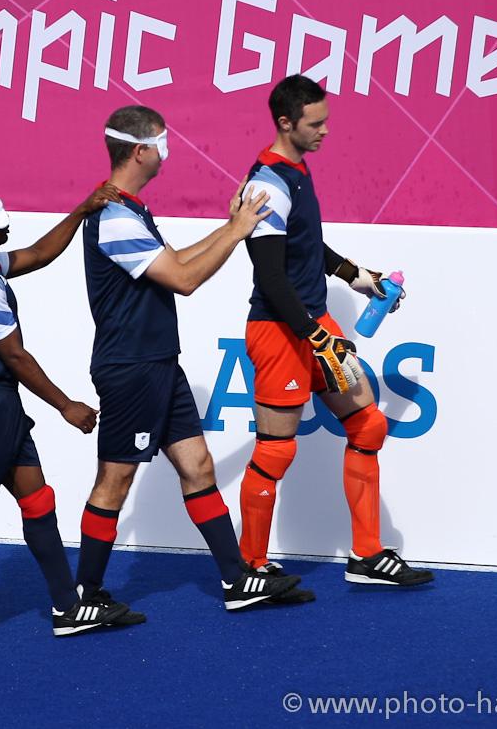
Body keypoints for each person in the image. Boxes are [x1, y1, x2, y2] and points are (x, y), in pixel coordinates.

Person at [76, 105, 303, 615]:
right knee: (115, 481)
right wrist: (239, 229)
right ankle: (83, 598)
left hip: (158, 363)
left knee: (197, 466)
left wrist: (230, 225)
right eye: (162, 142)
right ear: (141, 151)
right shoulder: (112, 217)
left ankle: (234, 580)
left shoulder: (130, 209)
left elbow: (176, 261)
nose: (167, 151)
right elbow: (185, 280)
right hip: (131, 368)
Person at [0, 183, 142, 653]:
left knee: (38, 500)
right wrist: (67, 406)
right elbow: (16, 357)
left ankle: (66, 608)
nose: (5, 215)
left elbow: (39, 254)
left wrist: (81, 206)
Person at [237, 74, 434, 588]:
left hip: (311, 325)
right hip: (281, 331)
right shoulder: (266, 184)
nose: (326, 131)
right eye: (315, 123)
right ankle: (251, 568)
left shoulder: (297, 171)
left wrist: (357, 277)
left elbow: (306, 249)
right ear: (286, 123)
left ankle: (366, 556)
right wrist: (312, 333)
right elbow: (271, 275)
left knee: (368, 425)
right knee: (275, 450)